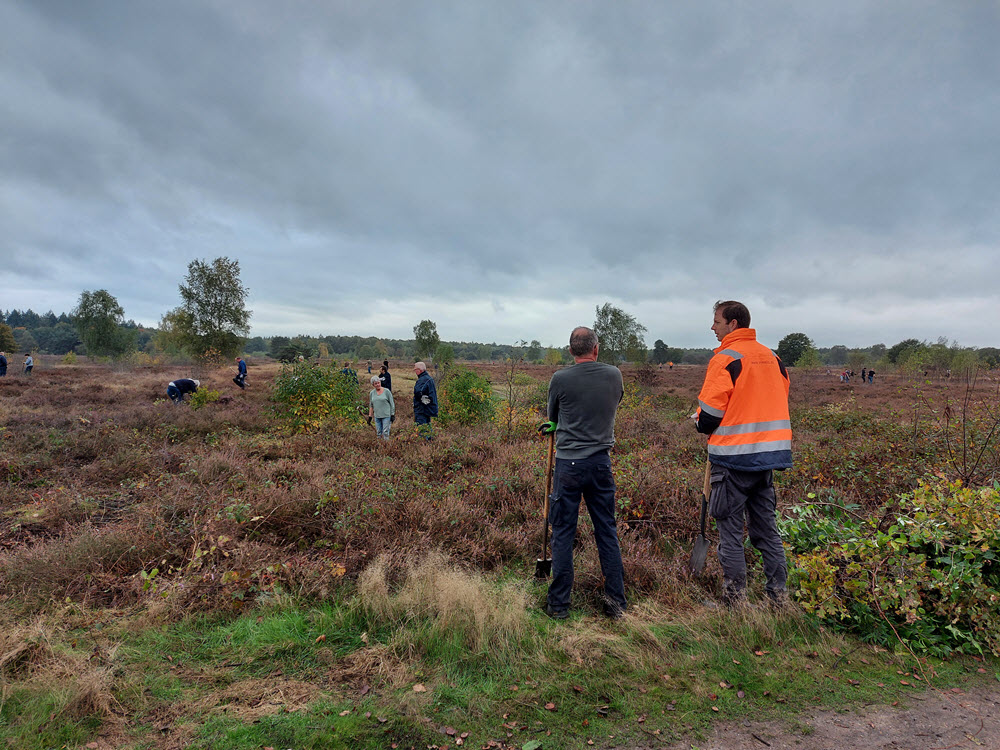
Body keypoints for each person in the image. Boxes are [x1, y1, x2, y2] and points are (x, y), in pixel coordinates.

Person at [695, 300, 791, 607]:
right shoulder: (773, 358)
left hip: (732, 460)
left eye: (717, 321)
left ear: (733, 324)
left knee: (730, 533)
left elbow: (709, 416)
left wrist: (699, 418)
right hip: (767, 460)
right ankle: (778, 598)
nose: (713, 327)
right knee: (767, 532)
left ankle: (734, 601)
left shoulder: (726, 358)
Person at [538, 326, 627, 620]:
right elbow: (614, 402)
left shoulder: (560, 379)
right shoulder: (614, 375)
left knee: (563, 532)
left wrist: (556, 424)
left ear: (570, 350)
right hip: (601, 463)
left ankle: (559, 606)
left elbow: (552, 416)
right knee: (606, 531)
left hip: (568, 464)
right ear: (596, 349)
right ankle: (616, 604)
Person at [412, 361, 438, 438]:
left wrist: (419, 398)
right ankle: (430, 446)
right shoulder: (429, 378)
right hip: (428, 409)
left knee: (422, 431)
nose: (414, 371)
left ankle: (423, 447)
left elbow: (418, 392)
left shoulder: (423, 380)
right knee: (428, 429)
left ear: (420, 370)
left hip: (422, 409)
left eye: (415, 369)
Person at [368, 375, 396, 440]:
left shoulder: (387, 391)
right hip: (377, 416)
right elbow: (371, 405)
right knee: (378, 433)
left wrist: (392, 414)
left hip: (386, 415)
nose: (378, 385)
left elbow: (392, 403)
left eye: (378, 383)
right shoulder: (372, 393)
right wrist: (370, 416)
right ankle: (380, 446)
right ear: (373, 385)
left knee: (385, 432)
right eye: (376, 383)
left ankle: (386, 446)